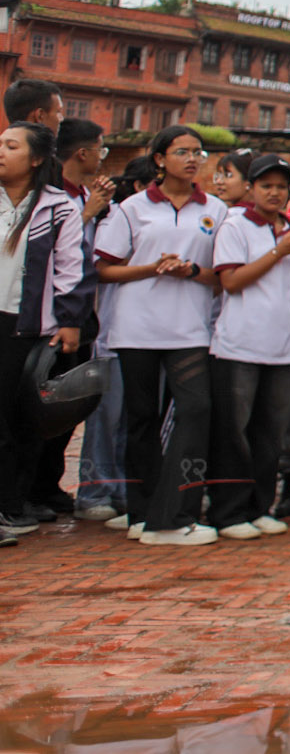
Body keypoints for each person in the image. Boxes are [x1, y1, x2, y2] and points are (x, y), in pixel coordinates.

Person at [95, 124, 220, 546]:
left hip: (189, 327)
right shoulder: (132, 208)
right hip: (137, 326)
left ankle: (179, 508)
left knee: (195, 410)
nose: (192, 158)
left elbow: (223, 275)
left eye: (198, 152)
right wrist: (151, 268)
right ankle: (141, 511)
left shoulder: (216, 210)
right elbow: (105, 268)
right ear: (160, 159)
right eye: (182, 151)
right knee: (141, 419)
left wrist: (190, 271)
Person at [207, 154, 290, 540]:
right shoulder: (235, 225)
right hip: (239, 344)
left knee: (270, 433)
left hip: (282, 344)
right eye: (266, 185)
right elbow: (232, 281)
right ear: (250, 189)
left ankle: (259, 506)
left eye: (281, 187)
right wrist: (278, 252)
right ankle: (228, 511)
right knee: (233, 431)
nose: (274, 193)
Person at [0, 122, 87, 541]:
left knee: (21, 420)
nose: (1, 151)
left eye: (11, 146)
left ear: (36, 159)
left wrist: (70, 321)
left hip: (27, 327)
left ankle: (13, 504)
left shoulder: (58, 207)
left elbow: (72, 268)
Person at [59, 118, 123, 524]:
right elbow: (49, 246)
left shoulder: (88, 193)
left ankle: (51, 489)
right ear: (82, 153)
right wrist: (87, 212)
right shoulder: (51, 194)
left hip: (86, 317)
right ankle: (90, 489)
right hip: (51, 317)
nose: (103, 157)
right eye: (101, 149)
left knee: (72, 409)